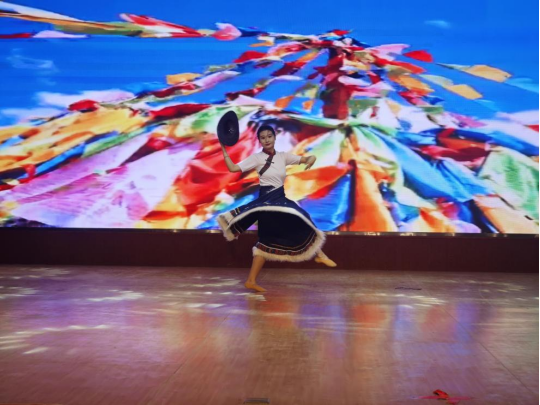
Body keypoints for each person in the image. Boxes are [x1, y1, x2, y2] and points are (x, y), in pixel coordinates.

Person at [218, 125, 337, 293]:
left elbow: (307, 158)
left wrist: (311, 159)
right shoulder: (256, 158)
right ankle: (252, 280)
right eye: (263, 137)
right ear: (260, 141)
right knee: (279, 231)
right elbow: (233, 168)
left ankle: (252, 280)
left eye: (269, 136)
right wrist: (224, 151)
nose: (266, 140)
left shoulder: (283, 156)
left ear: (274, 138)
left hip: (279, 198)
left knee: (300, 218)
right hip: (267, 201)